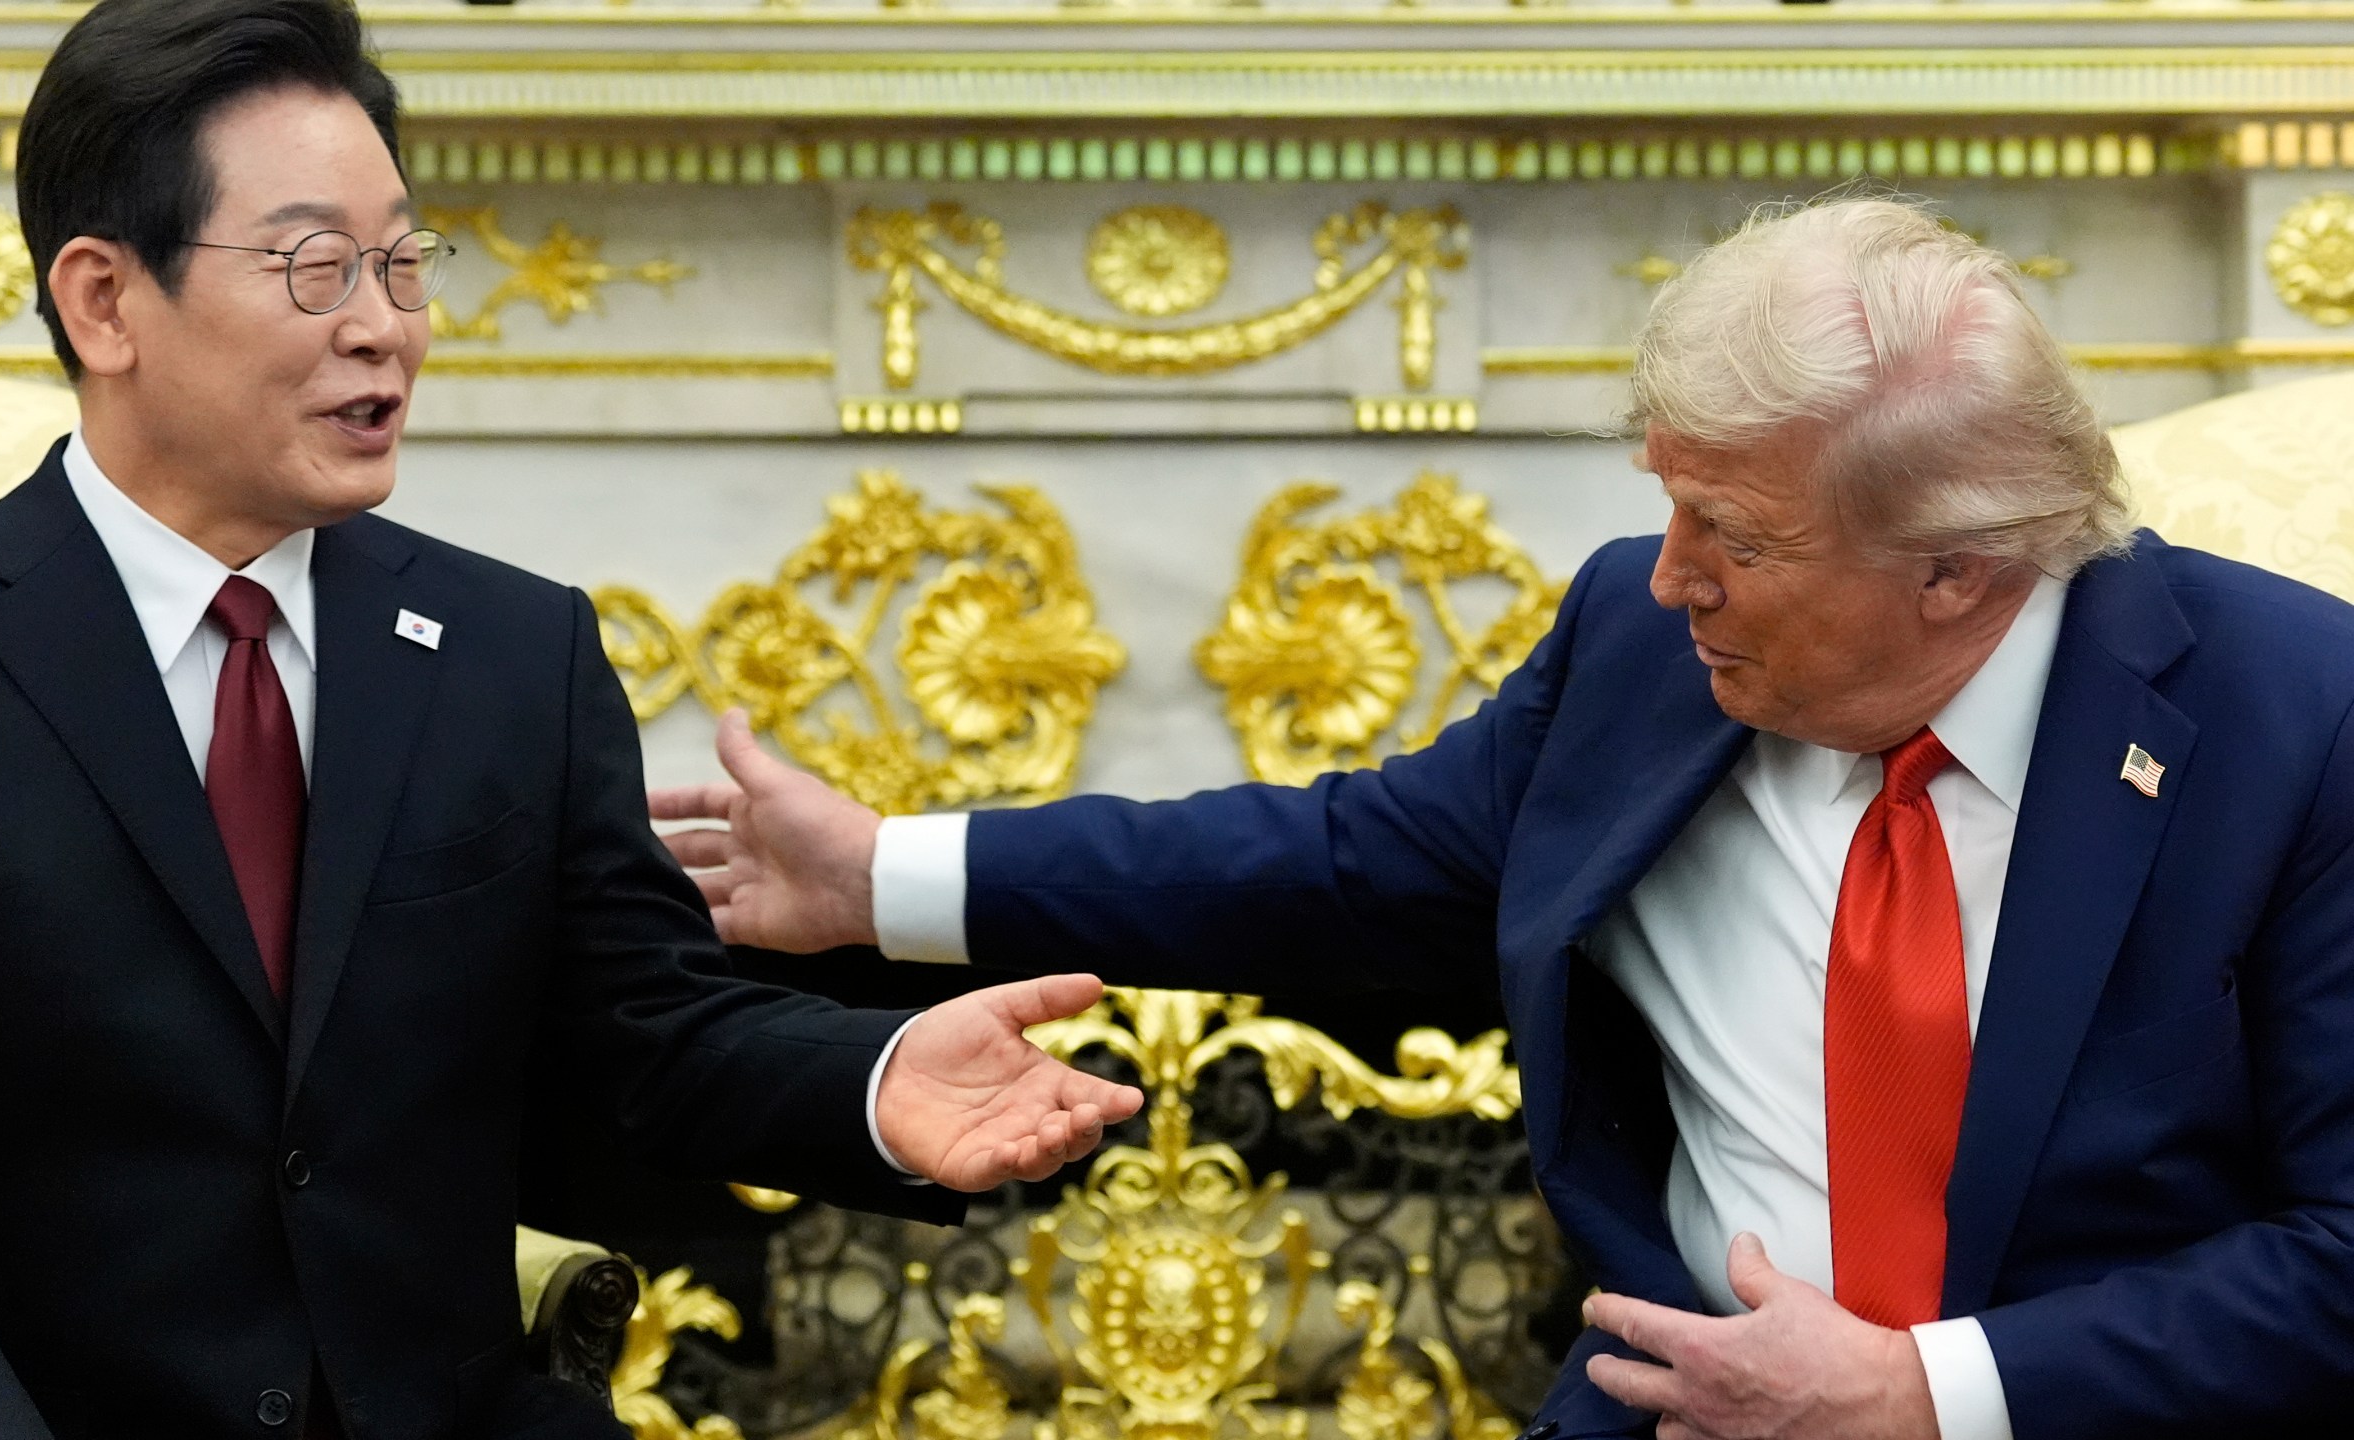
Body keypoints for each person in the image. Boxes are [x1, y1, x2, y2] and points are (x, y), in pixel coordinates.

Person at [654, 198, 2354, 1440]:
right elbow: (1347, 868)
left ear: (1956, 567)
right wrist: (886, 872)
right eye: (1669, 507)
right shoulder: (1644, 644)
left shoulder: (2297, 725)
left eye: (1735, 537)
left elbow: (2341, 1255)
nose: (1671, 577)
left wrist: (1929, 1396)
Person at [0, 3, 1143, 1437]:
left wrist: (876, 1080)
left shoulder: (514, 651)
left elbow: (652, 1034)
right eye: (316, 266)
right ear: (104, 302)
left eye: (402, 261)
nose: (384, 325)